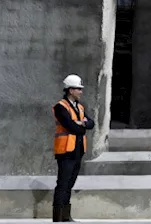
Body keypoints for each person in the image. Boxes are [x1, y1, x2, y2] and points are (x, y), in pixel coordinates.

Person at [52, 74, 96, 222]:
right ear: (70, 90)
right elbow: (70, 126)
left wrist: (81, 124)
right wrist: (81, 125)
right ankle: (58, 217)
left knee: (70, 184)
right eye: (78, 89)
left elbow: (91, 123)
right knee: (63, 184)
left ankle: (66, 215)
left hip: (77, 151)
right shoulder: (60, 107)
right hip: (65, 151)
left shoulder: (80, 107)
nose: (80, 91)